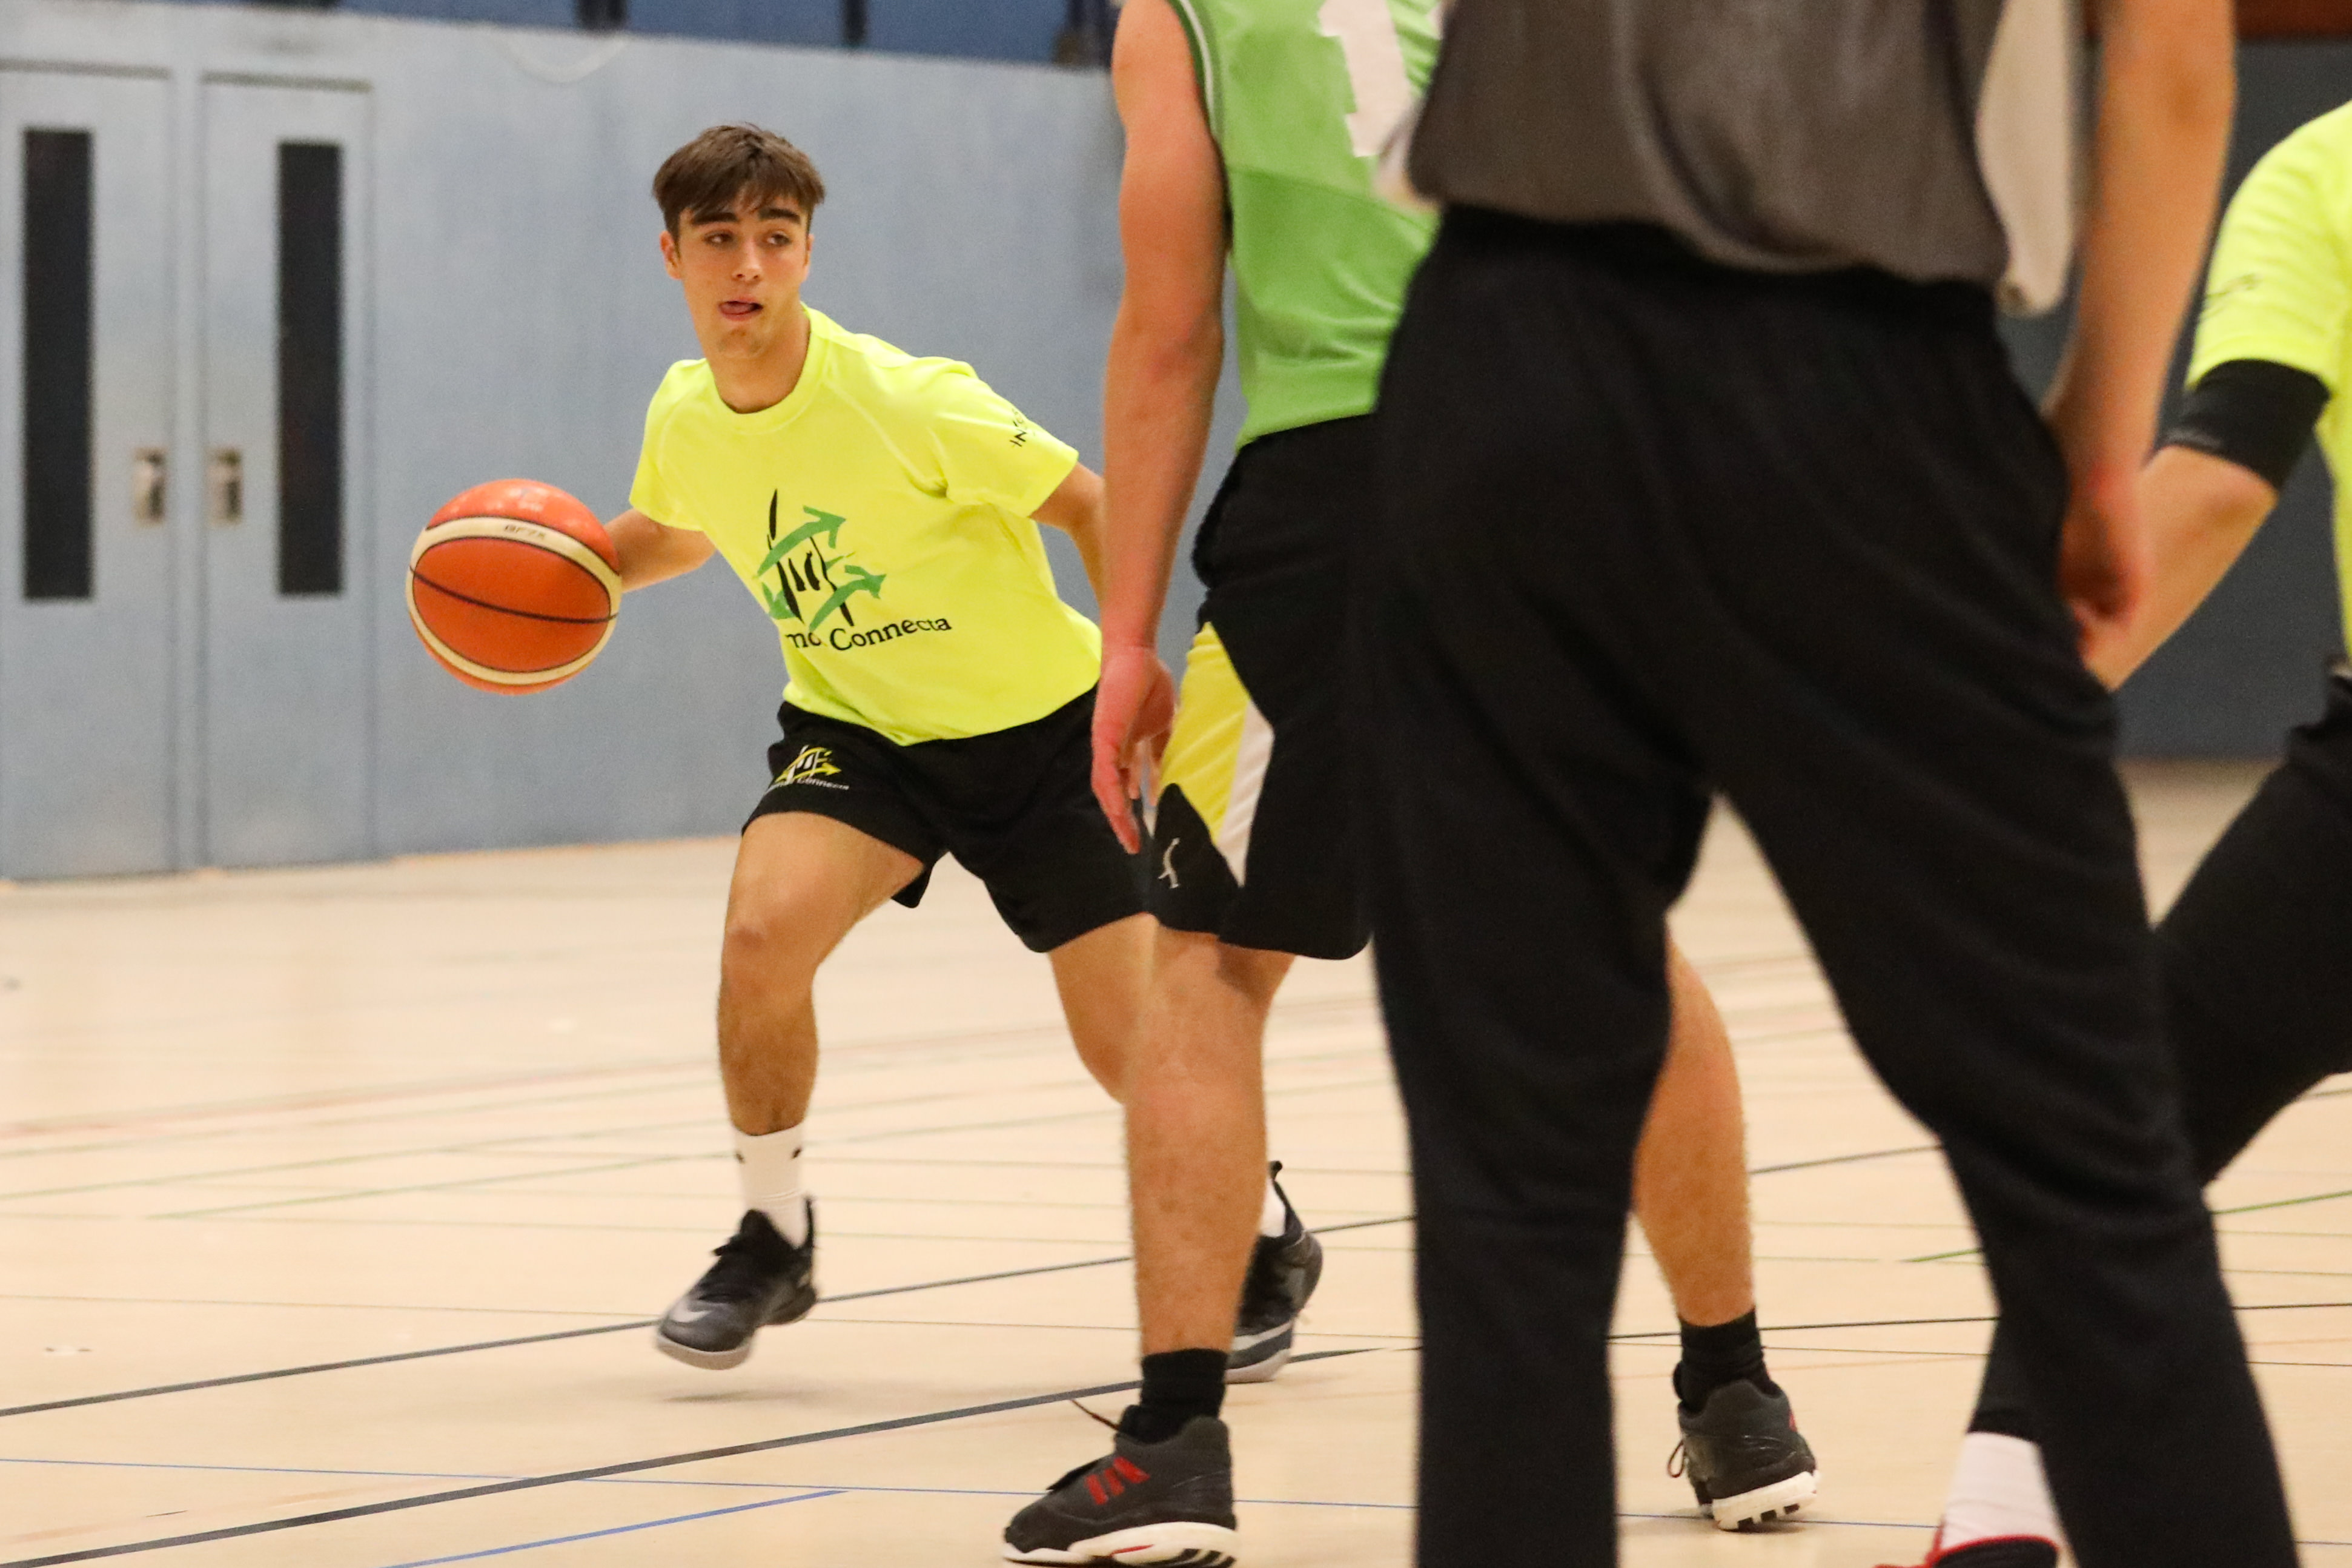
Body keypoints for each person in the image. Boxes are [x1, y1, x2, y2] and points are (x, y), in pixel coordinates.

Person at [1354, 2, 2301, 1566]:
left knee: (1508, 1214)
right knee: (2087, 1184)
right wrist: (2093, 432)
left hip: (1494, 370)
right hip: (1862, 376)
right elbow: (2174, 62)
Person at [1001, 4, 1814, 1562]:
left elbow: (1169, 329)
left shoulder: (1181, 14)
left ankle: (1174, 1439)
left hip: (1340, 488)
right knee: (1610, 937)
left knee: (1208, 961)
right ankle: (1735, 1392)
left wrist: (1127, 634)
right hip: (1561, 463)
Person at [604, 123, 1271, 1376]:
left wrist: (1128, 658)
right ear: (673, 256)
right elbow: (679, 528)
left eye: (775, 237)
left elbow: (1089, 499)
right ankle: (772, 1232)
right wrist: (571, 569)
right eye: (719, 238)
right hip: (864, 732)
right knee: (761, 938)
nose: (747, 264)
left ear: (808, 253)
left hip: (1041, 733)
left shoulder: (908, 399)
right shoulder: (685, 413)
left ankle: (1268, 1232)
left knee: (1128, 1046)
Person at [1900, 94, 2352, 1568]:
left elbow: (2217, 479)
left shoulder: (2328, 170)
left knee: (2108, 1149)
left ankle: (1998, 1522)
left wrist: (1994, 706)